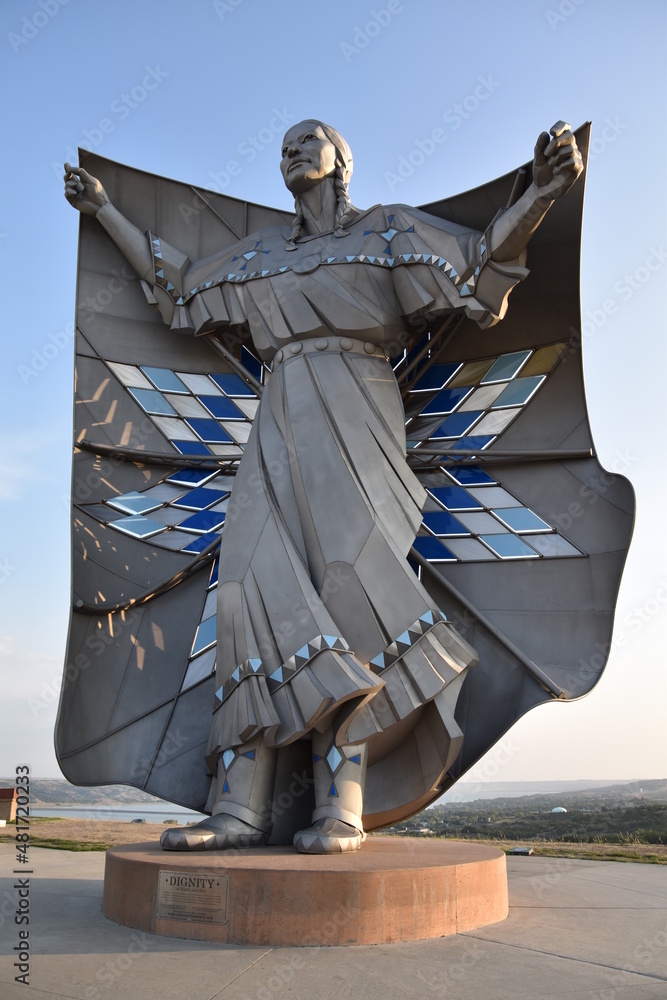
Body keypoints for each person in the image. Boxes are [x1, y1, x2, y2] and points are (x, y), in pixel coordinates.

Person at [64, 119, 582, 853]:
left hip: (360, 412)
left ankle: (339, 803)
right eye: (280, 146)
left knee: (351, 597)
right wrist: (105, 211)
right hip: (277, 422)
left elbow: (476, 266)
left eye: (309, 138)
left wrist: (540, 191)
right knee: (248, 590)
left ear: (344, 158)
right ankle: (238, 808)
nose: (292, 150)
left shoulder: (388, 232)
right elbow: (177, 290)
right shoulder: (261, 259)